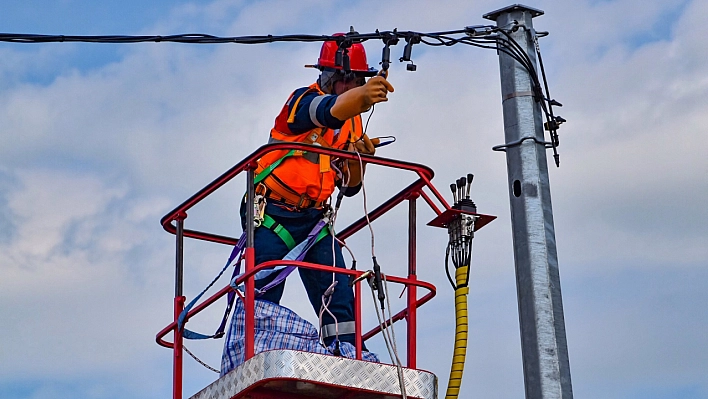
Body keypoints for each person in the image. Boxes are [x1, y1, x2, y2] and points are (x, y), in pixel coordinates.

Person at [221, 33, 394, 372]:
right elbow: (326, 112)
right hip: (273, 213)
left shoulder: (353, 122)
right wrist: (360, 96)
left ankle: (346, 356)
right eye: (343, 78)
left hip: (314, 221)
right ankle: (252, 357)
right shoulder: (300, 103)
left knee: (339, 292)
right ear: (328, 76)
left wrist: (358, 159)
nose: (347, 85)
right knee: (264, 287)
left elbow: (349, 188)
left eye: (354, 80)